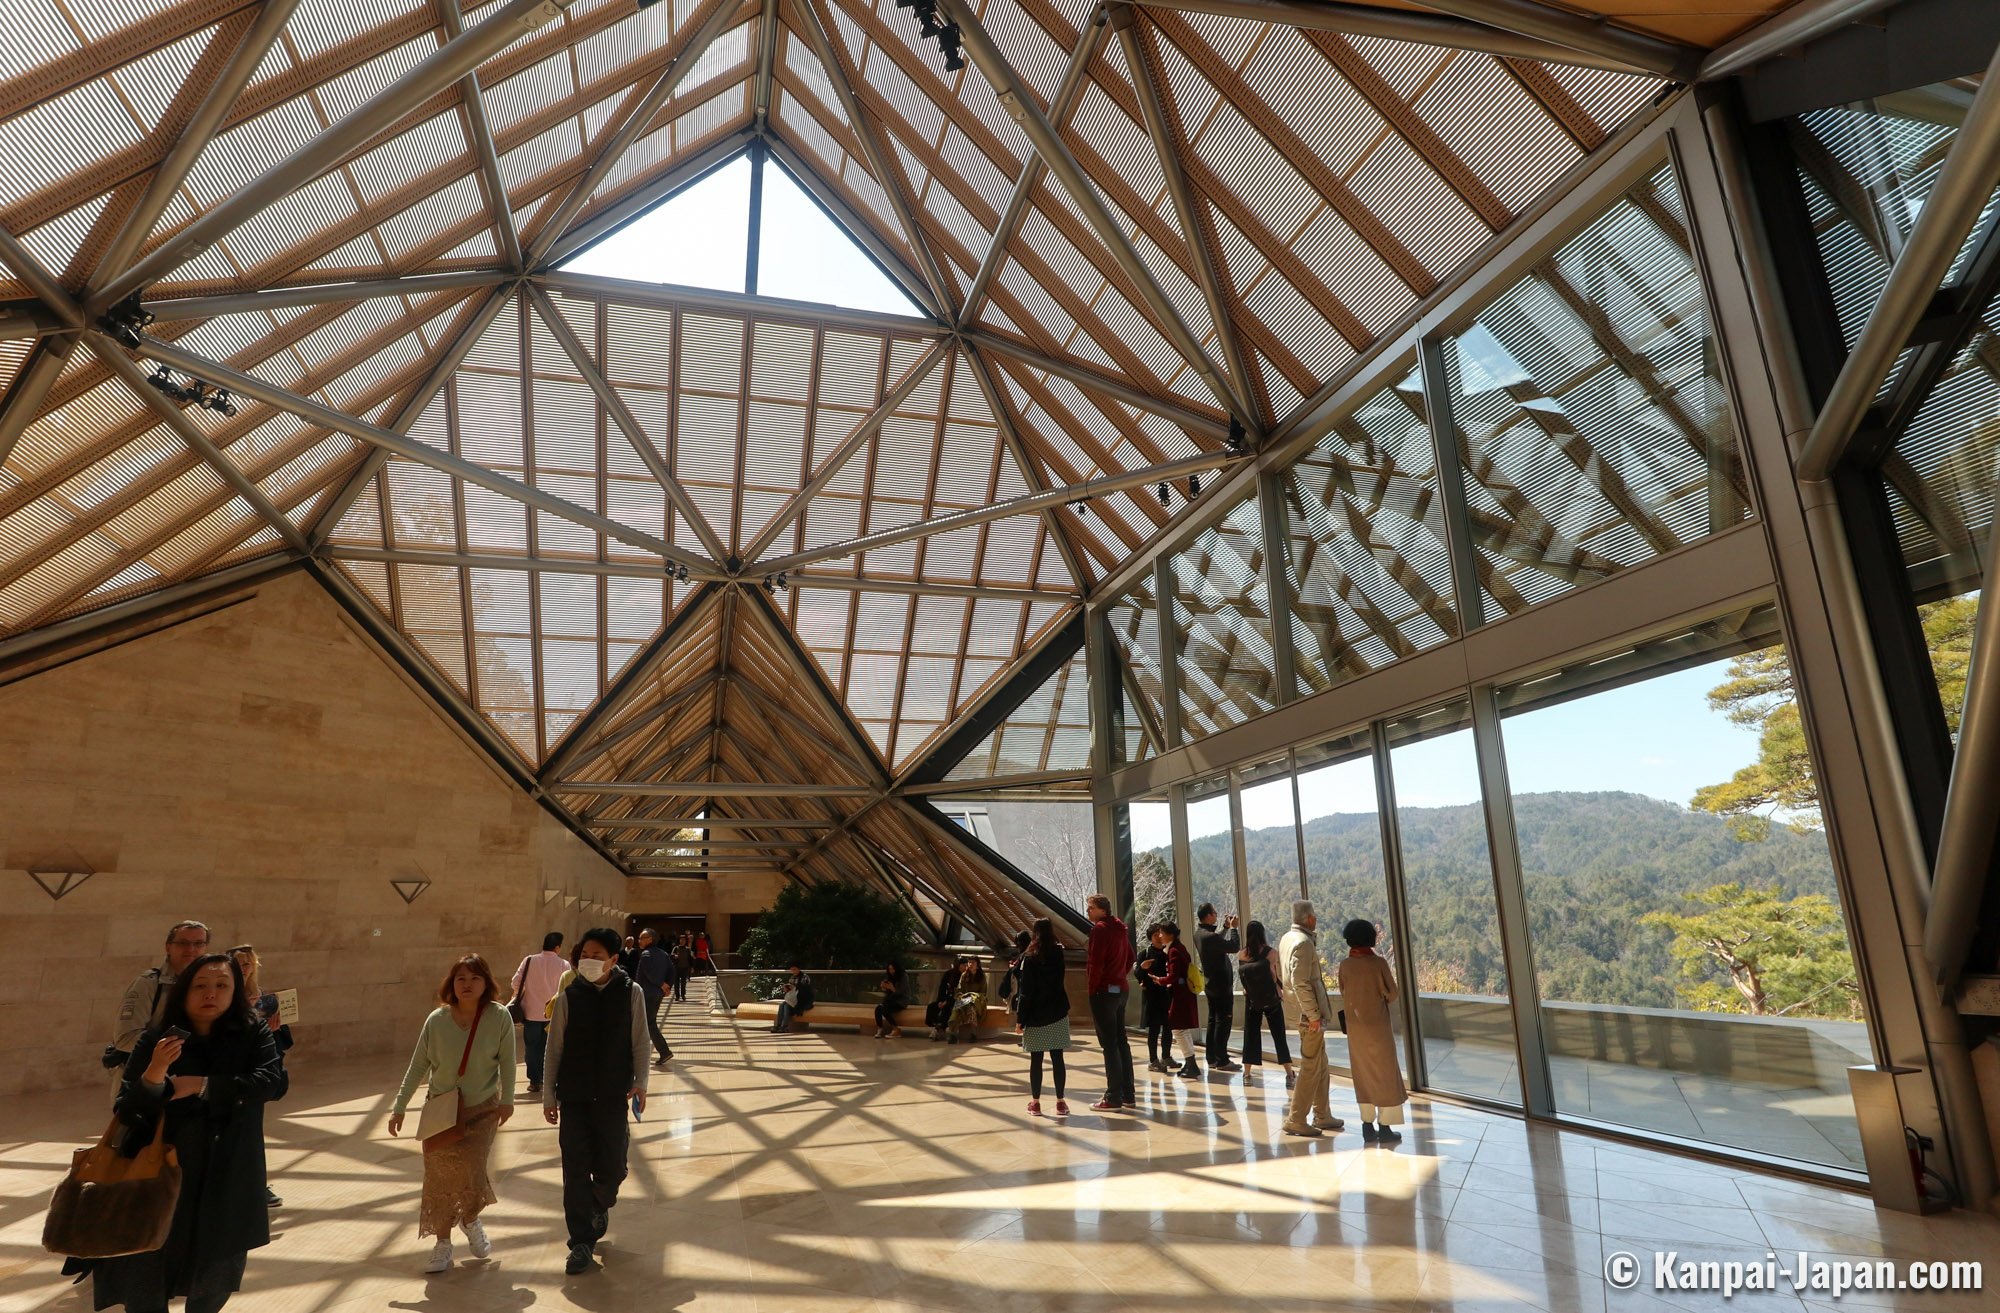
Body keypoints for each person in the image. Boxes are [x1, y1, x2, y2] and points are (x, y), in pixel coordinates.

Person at [86, 952, 282, 1313]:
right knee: (146, 1272)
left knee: (214, 1274)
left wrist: (203, 1085)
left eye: (222, 985)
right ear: (184, 991)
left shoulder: (252, 1034)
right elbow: (127, 1109)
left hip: (225, 1173)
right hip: (156, 1175)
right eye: (201, 986)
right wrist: (156, 1071)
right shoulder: (157, 1039)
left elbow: (271, 1083)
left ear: (235, 990)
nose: (211, 993)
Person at [388, 955, 516, 1273]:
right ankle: (442, 1244)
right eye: (460, 978)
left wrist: (508, 1100)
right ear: (451, 983)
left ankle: (471, 1220)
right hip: (441, 1111)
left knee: (473, 1172)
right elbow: (418, 1065)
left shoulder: (498, 1016)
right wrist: (399, 1107)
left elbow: (509, 1062)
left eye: (474, 978)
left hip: (483, 1109)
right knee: (439, 1180)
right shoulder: (437, 1020)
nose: (467, 984)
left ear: (486, 982)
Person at [544, 928, 649, 1275]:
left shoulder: (630, 993)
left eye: (597, 956)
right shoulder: (569, 997)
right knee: (574, 1172)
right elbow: (553, 1049)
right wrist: (548, 1095)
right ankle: (581, 1243)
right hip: (573, 1098)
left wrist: (641, 1083)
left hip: (611, 1097)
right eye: (583, 955)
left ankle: (598, 1203)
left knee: (614, 1166)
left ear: (614, 960)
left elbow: (640, 1041)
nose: (587, 961)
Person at [226, 945, 292, 1208]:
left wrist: (272, 1028)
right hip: (231, 1072)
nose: (246, 968)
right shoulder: (223, 995)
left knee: (251, 1133)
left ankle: (256, 1185)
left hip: (257, 1074)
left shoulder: (262, 997)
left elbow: (282, 1041)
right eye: (241, 963)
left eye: (249, 963)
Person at [1337, 920, 1406, 1144]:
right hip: (1378, 1027)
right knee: (1385, 1074)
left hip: (1355, 1029)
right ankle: (1384, 1127)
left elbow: (1343, 990)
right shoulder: (1378, 964)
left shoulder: (1345, 965)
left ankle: (1367, 1126)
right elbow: (1393, 993)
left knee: (1363, 1074)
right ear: (1371, 938)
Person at [1278, 900, 1343, 1138]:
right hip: (1308, 1016)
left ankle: (1323, 1114)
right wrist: (1313, 1015)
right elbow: (1300, 982)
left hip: (1300, 1012)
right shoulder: (1303, 943)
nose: (1316, 919)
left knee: (1320, 1063)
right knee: (1310, 1066)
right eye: (1314, 915)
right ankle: (1296, 1118)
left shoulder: (1287, 938)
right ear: (1310, 919)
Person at [111, 920, 212, 1072]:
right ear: (168, 947)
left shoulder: (209, 985)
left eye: (198, 943)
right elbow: (125, 1038)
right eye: (183, 943)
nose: (191, 949)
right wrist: (183, 1045)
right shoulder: (148, 983)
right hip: (145, 1076)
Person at [1084, 894, 1136, 1112]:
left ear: (1102, 910)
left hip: (1105, 992)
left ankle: (1113, 1097)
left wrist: (1093, 988)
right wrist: (1120, 976)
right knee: (1121, 1042)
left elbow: (1096, 962)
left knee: (1109, 1044)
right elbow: (1131, 957)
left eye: (1091, 908)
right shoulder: (1120, 930)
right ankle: (1127, 1094)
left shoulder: (1100, 930)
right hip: (1121, 990)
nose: (1088, 911)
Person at [1014, 919, 1071, 1117]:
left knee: (1036, 1060)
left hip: (1035, 1015)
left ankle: (1036, 1103)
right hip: (1057, 1012)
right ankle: (1060, 1102)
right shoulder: (1058, 953)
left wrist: (1020, 1018)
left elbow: (1026, 991)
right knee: (1058, 1058)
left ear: (1034, 933)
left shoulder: (1029, 957)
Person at [1236, 920, 1296, 1090]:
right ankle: (1289, 1074)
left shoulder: (1242, 955)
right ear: (1263, 933)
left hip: (1252, 999)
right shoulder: (1272, 953)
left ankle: (1247, 1074)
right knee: (1279, 1036)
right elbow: (1275, 977)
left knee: (1251, 1036)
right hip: (1271, 999)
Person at [508, 932, 566, 1097]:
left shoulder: (529, 960)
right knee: (550, 1048)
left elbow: (515, 982)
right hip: (553, 1014)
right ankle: (549, 1080)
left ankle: (534, 1081)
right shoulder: (563, 964)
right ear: (557, 947)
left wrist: (528, 992)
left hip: (531, 1012)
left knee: (532, 1047)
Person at [1148, 922, 1202, 1078]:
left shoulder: (1174, 951)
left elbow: (1174, 975)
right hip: (1183, 994)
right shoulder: (1179, 948)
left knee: (1178, 1029)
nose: (1160, 936)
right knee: (1182, 1029)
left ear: (1169, 934)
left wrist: (1160, 980)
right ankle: (1190, 1063)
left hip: (1180, 996)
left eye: (1162, 933)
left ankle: (1190, 1063)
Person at [1193, 904, 1241, 1072]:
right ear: (1207, 916)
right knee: (1223, 1022)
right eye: (1214, 913)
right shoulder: (1210, 937)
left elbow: (1216, 941)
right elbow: (1234, 947)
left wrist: (1225, 928)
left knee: (1213, 1021)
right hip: (1221, 985)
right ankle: (1222, 1059)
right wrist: (1234, 929)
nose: (1216, 915)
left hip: (1210, 984)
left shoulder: (1199, 934)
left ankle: (1212, 1057)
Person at [1137, 924, 1175, 1073]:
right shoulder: (1145, 953)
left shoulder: (1168, 954)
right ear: (1150, 937)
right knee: (1154, 1030)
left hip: (1166, 996)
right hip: (1152, 998)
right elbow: (1137, 974)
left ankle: (1166, 1056)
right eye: (1155, 935)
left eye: (1161, 934)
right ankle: (1153, 1060)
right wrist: (1142, 968)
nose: (1159, 937)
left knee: (1168, 1027)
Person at [633, 930, 673, 1066]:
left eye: (641, 938)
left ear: (650, 939)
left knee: (649, 1023)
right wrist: (667, 986)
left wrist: (662, 984)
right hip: (657, 993)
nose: (639, 941)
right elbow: (672, 971)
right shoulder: (664, 954)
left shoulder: (645, 955)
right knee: (648, 1022)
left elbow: (648, 974)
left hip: (647, 993)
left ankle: (664, 1051)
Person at [943, 957, 987, 1044]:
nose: (970, 964)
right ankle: (953, 1034)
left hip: (977, 1000)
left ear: (977, 965)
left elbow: (983, 993)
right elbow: (959, 990)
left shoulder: (981, 976)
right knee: (957, 1008)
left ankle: (973, 1033)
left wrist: (972, 996)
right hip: (964, 999)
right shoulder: (964, 976)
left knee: (971, 1008)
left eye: (973, 963)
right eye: (969, 962)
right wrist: (962, 996)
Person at [997, 930, 1032, 1021]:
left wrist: (1013, 968)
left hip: (1025, 986)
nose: (1016, 946)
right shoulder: (1028, 953)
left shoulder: (1026, 955)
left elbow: (1018, 970)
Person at [771, 965, 815, 1032]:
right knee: (782, 1005)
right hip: (793, 999)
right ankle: (778, 1025)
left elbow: (806, 990)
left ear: (798, 969)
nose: (793, 971)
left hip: (802, 999)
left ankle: (785, 1026)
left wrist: (796, 987)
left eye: (794, 969)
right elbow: (791, 992)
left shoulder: (805, 977)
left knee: (787, 1006)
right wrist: (787, 989)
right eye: (791, 970)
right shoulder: (792, 978)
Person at [872, 962, 908, 1038]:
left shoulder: (903, 977)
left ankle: (896, 1029)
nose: (891, 971)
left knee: (884, 1009)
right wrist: (884, 987)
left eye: (893, 969)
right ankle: (879, 1028)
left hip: (901, 1001)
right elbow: (889, 993)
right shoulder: (889, 977)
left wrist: (892, 989)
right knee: (878, 1008)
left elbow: (902, 993)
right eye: (889, 969)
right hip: (891, 1000)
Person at [925, 964, 958, 1041]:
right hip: (947, 998)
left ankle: (940, 1028)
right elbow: (942, 989)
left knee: (948, 1007)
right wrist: (940, 1000)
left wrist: (947, 1001)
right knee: (932, 1007)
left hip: (957, 999)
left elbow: (957, 993)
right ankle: (937, 1025)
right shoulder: (948, 974)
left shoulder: (964, 976)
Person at [671, 934, 693, 1002]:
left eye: (683, 940)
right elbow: (671, 955)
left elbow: (690, 958)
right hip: (677, 968)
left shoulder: (687, 949)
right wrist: (674, 955)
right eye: (681, 939)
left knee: (683, 982)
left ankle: (683, 995)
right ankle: (677, 996)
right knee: (676, 983)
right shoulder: (676, 948)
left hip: (685, 967)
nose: (682, 941)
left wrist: (692, 967)